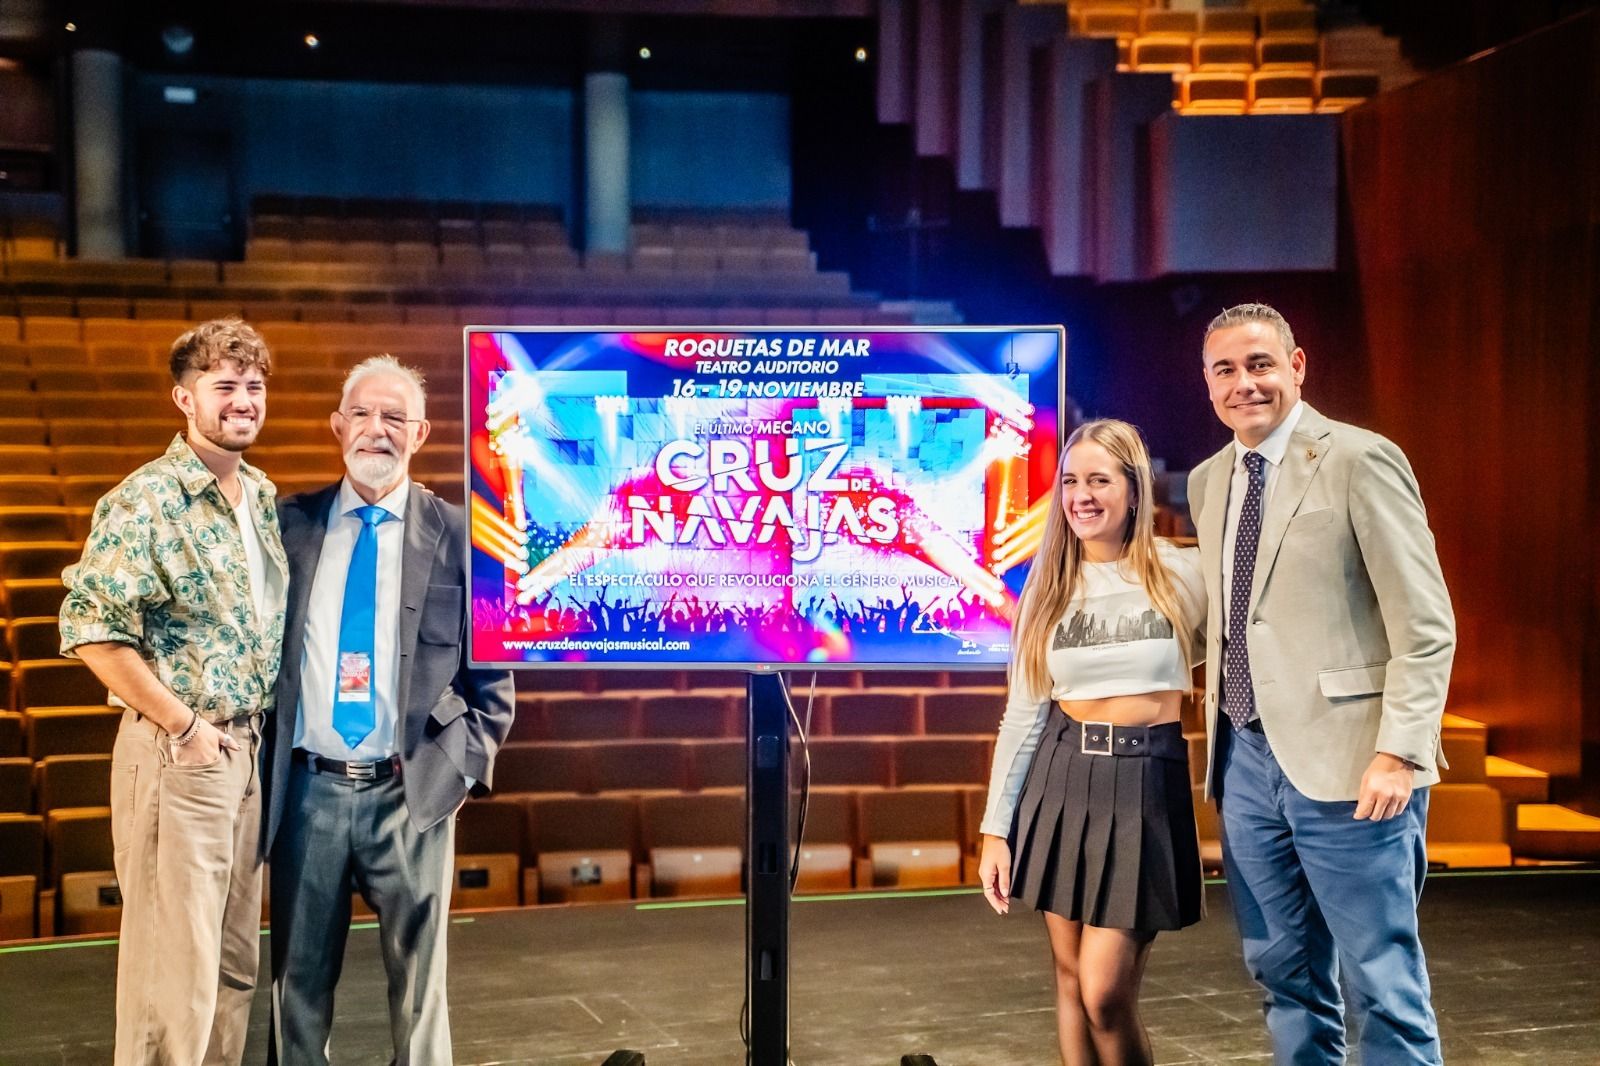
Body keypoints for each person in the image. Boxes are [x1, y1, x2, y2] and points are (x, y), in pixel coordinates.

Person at [1188, 303, 1454, 1065]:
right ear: (1207, 383)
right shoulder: (1209, 480)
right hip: (1244, 762)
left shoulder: (1361, 459)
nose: (1244, 384)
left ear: (1297, 366)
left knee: (1381, 980)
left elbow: (1425, 624)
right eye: (1226, 370)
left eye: (1260, 364)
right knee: (1282, 973)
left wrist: (1399, 752)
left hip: (1351, 762)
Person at [263, 354, 515, 1065]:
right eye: (364, 414)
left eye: (395, 417)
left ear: (421, 433)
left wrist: (455, 772)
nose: (378, 429)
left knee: (420, 994)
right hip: (306, 792)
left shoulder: (465, 535)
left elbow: (494, 688)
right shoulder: (287, 526)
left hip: (411, 795)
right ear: (338, 425)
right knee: (295, 987)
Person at [59, 318, 286, 1066]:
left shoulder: (259, 493)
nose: (243, 401)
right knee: (172, 972)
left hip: (246, 752)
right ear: (185, 399)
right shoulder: (145, 499)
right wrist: (185, 728)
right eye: (224, 387)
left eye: (253, 386)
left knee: (230, 965)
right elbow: (92, 629)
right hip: (179, 752)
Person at [979, 418, 1206, 1065]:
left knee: (1105, 992)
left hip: (1144, 782)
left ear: (1133, 489)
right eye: (1071, 481)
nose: (1082, 495)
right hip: (1062, 774)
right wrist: (996, 829)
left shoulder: (1184, 573)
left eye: (1100, 480)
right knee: (1070, 977)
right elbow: (1023, 715)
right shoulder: (1046, 587)